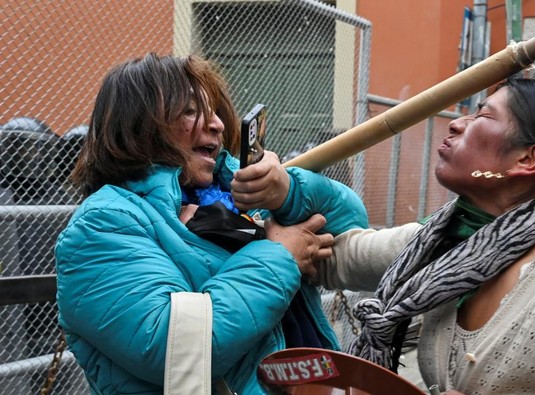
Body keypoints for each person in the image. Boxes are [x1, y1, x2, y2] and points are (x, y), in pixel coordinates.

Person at [312, 77, 535, 393]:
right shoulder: (448, 242)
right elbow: (329, 257)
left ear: (527, 160)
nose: (457, 124)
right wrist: (286, 191)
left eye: (482, 116)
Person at [54, 53, 368, 395]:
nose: (216, 123)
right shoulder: (103, 223)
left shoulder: (229, 189)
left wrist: (286, 192)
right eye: (190, 110)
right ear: (140, 125)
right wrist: (282, 256)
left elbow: (350, 223)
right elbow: (171, 347)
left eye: (214, 110)